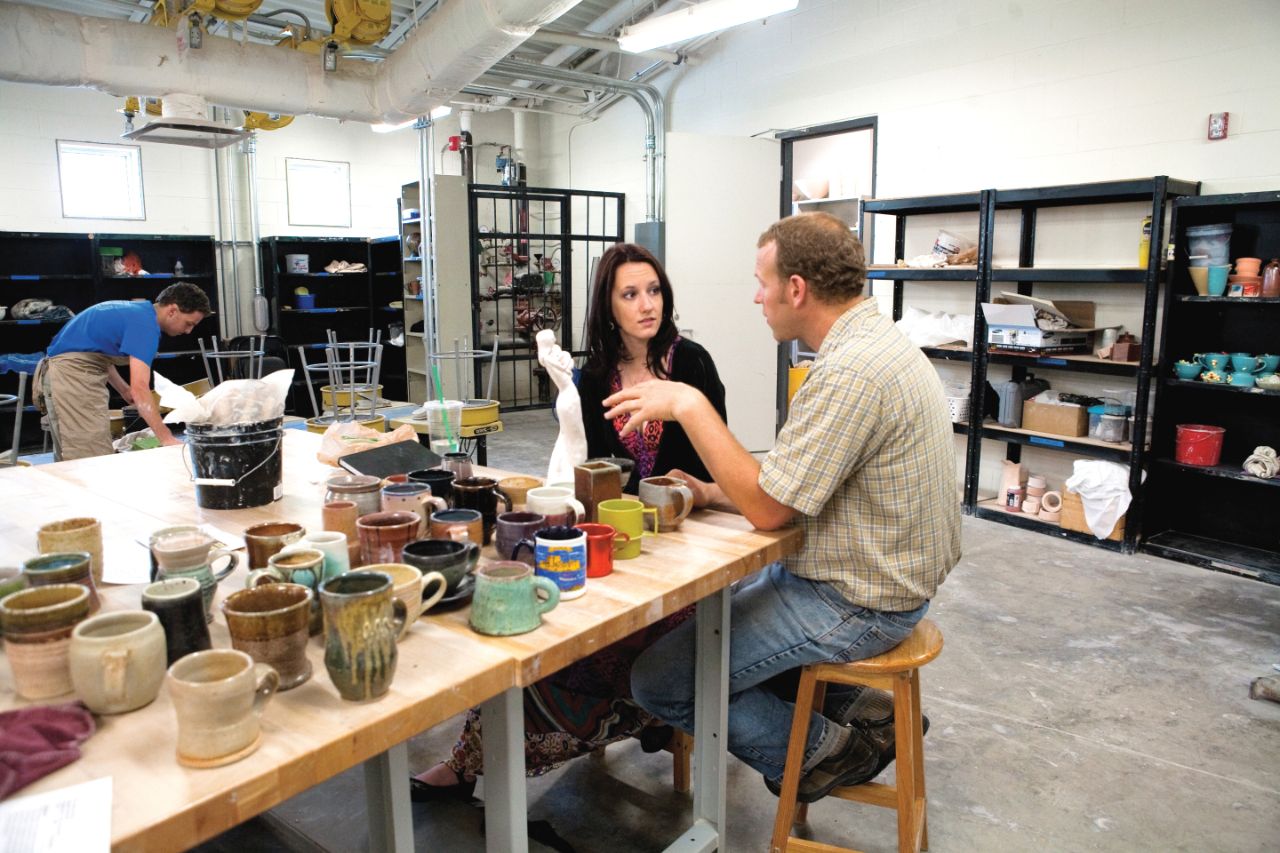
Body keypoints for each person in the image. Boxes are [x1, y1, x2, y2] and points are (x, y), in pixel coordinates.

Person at [606, 212, 961, 804]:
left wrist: (691, 406)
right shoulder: (874, 343)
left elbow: (771, 512)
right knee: (717, 618)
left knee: (662, 680)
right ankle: (858, 705)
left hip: (859, 600)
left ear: (796, 289)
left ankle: (830, 751)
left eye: (761, 282)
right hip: (870, 576)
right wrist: (711, 491)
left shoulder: (849, 372)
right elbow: (797, 484)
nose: (756, 297)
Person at [411, 242, 727, 801]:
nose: (646, 304)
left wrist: (692, 494)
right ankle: (482, 753)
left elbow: (717, 461)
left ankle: (643, 712)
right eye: (630, 294)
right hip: (619, 548)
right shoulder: (592, 378)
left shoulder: (693, 363)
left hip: (688, 551)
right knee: (538, 632)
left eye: (653, 290)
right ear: (608, 306)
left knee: (598, 652)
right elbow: (579, 471)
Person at [35, 283, 210, 461]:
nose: (189, 331)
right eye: (189, 324)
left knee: (81, 453)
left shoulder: (137, 313)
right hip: (70, 375)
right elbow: (140, 388)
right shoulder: (145, 326)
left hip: (66, 372)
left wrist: (123, 389)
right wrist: (165, 437)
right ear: (172, 310)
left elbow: (96, 353)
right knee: (90, 458)